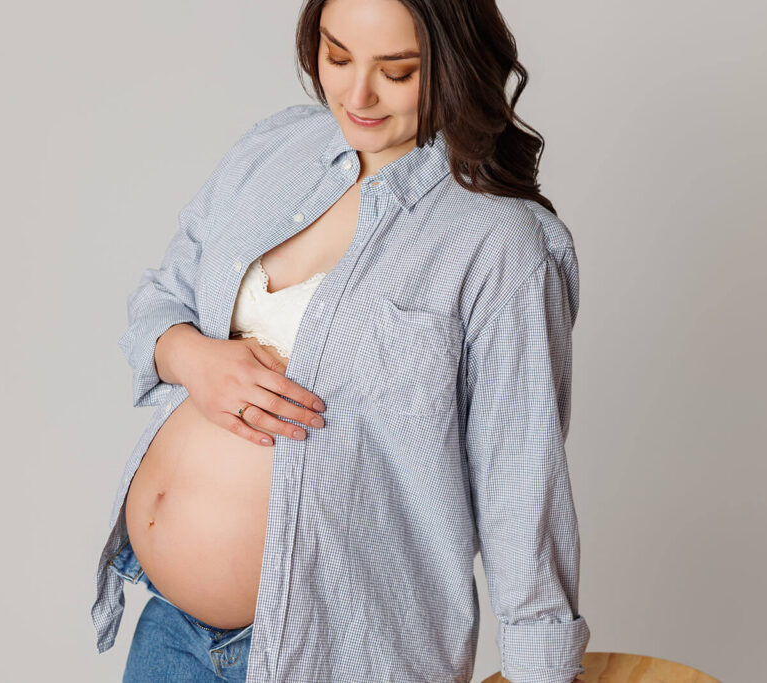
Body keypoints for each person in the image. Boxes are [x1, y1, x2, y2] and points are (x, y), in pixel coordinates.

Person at [91, 0, 590, 681]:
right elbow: (159, 298)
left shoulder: (505, 246)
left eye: (398, 70)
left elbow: (522, 494)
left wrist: (543, 669)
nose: (357, 95)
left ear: (455, 64)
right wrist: (193, 357)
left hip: (340, 657)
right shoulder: (275, 151)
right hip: (171, 635)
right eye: (337, 56)